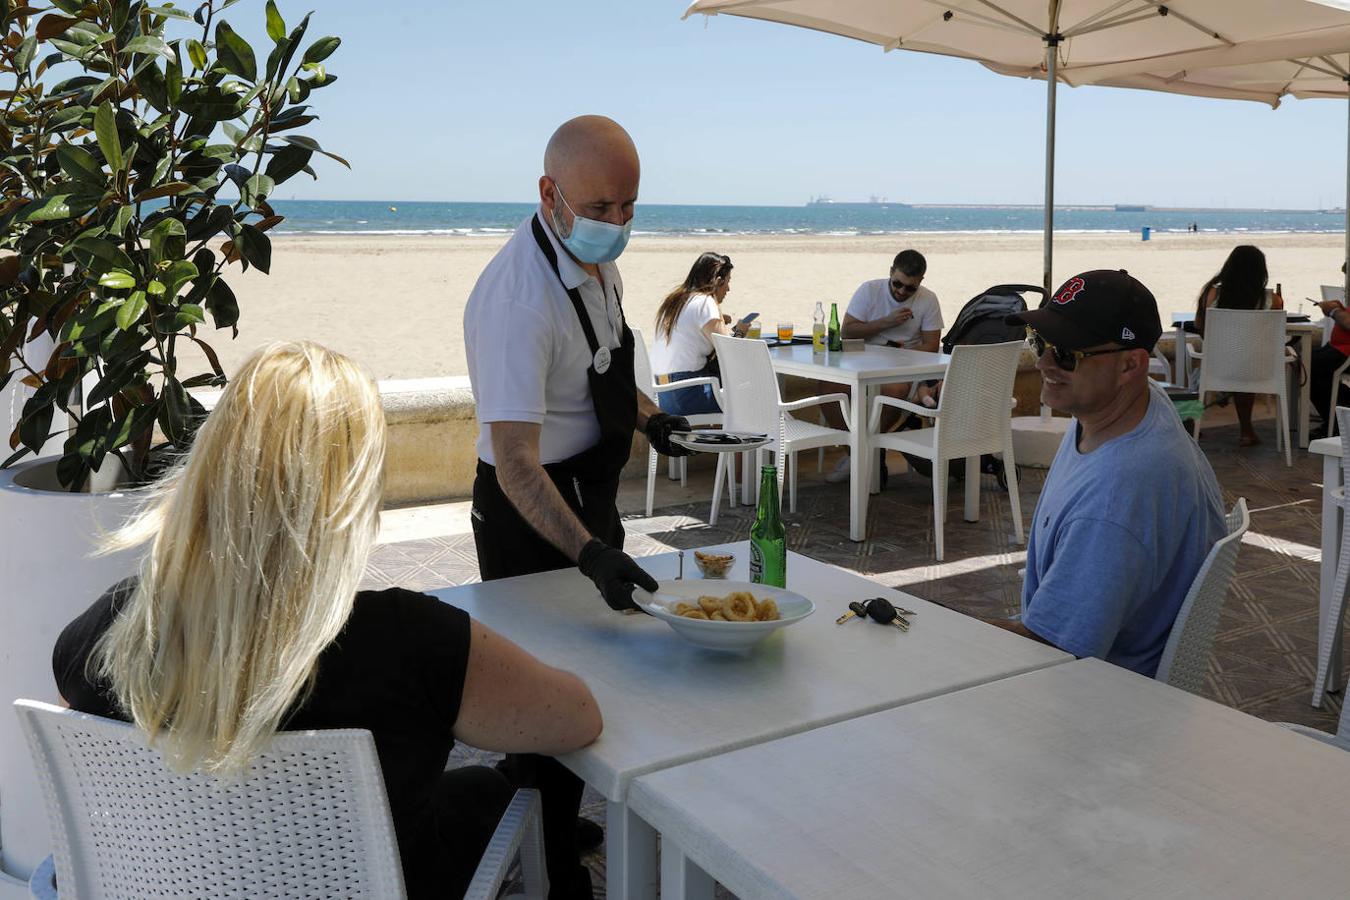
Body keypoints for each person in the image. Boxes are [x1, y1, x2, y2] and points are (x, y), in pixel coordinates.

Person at [51, 342, 604, 900]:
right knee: (485, 788)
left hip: (190, 879)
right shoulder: (410, 641)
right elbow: (575, 719)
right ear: (352, 492)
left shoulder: (110, 632)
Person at [462, 115, 690, 897]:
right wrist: (589, 552)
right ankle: (554, 869)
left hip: (588, 493)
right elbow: (519, 466)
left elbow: (600, 361)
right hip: (528, 516)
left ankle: (557, 816)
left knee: (595, 678)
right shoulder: (517, 301)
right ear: (549, 195)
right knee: (537, 700)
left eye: (629, 207)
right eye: (601, 208)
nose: (617, 225)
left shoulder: (595, 265)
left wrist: (653, 419)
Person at [990, 270, 1226, 678]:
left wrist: (930, 624)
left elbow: (1050, 658)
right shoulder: (1124, 409)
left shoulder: (1118, 497)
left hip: (1095, 699)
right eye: (1039, 342)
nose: (1044, 361)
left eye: (1067, 354)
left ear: (1130, 366)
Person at [822, 249, 943, 484]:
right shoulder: (870, 290)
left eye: (910, 288)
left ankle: (864, 454)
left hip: (902, 369)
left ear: (920, 283)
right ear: (890, 272)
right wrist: (886, 323)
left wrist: (898, 355)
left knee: (894, 392)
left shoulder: (928, 300)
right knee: (827, 387)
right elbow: (847, 330)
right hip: (860, 364)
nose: (901, 291)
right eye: (897, 283)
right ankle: (861, 454)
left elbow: (931, 345)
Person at [1193, 244, 1284, 446]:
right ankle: (1246, 431)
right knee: (1246, 363)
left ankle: (1193, 423)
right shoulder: (1272, 300)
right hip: (1257, 370)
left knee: (1201, 371)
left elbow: (1200, 325)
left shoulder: (1212, 295)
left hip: (1219, 366)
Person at [650, 251, 741, 415]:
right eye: (727, 282)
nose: (729, 288)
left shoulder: (674, 301)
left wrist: (719, 317)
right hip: (688, 395)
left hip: (665, 396)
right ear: (718, 281)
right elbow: (730, 353)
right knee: (749, 392)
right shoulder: (705, 302)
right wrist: (740, 331)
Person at [1311, 264, 1350, 438]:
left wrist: (1334, 311)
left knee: (1311, 366)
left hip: (1346, 351)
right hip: (1338, 347)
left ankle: (1336, 421)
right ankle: (1335, 418)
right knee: (1305, 361)